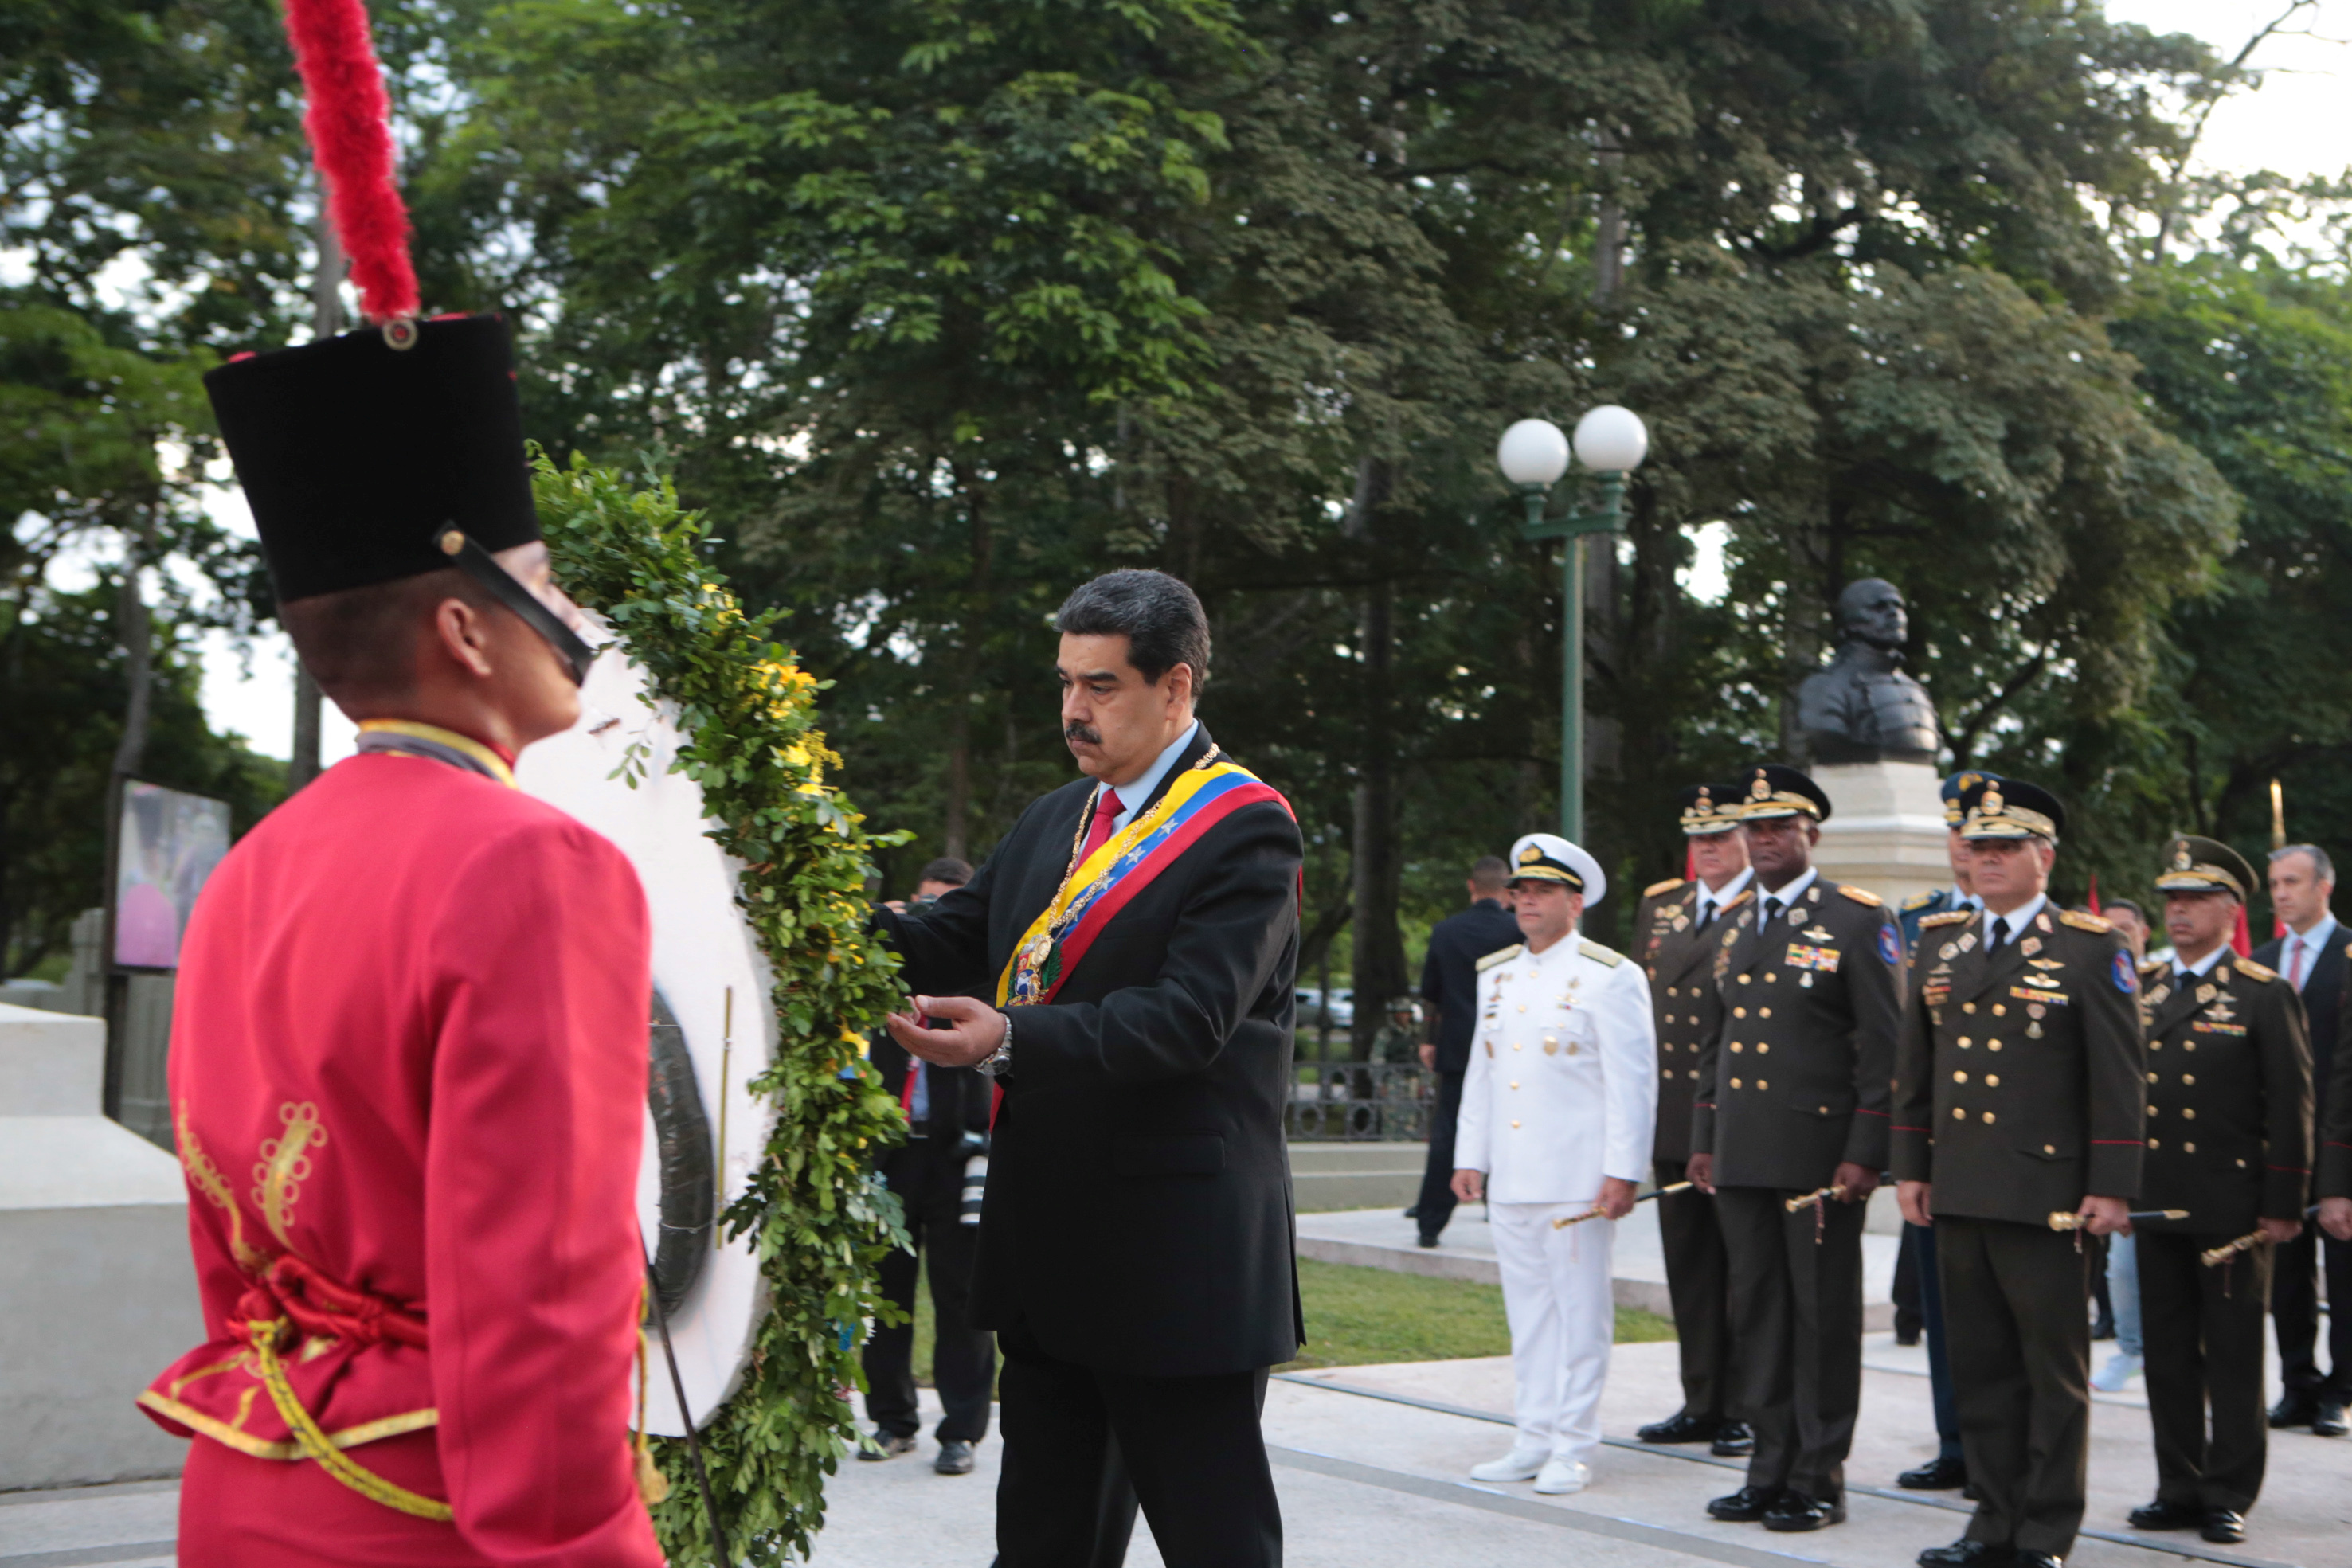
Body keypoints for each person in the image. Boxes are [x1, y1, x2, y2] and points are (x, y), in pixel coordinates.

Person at [137, 315, 663, 1566]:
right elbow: (542, 1285)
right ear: (468, 631)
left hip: (252, 1475)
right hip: (436, 1512)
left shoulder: (249, 869)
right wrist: (585, 1543)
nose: (571, 610)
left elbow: (233, 1253)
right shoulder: (538, 864)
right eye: (541, 582)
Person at [871, 569, 1302, 1568]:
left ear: (1177, 688)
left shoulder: (1245, 827)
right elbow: (953, 934)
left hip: (1176, 1261)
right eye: (1065, 681)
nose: (1073, 709)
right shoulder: (1059, 816)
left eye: (1101, 686)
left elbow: (1185, 1018)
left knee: (1215, 1539)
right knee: (1043, 1543)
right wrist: (802, 915)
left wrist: (1008, 1039)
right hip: (1049, 1250)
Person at [1895, 776, 2143, 1568]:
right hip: (1961, 1185)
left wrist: (2111, 1184)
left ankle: (2042, 1532)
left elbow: (2118, 1077)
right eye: (1980, 846)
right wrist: (1910, 1165)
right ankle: (1989, 1522)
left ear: (2044, 856)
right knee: (1982, 1368)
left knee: (2051, 1373)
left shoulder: (2087, 945)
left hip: (2046, 1195)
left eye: (2007, 847)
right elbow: (1916, 1067)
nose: (1989, 858)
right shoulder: (1941, 941)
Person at [1687, 764, 1901, 1534]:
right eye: (1755, 827)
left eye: (1781, 826)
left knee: (1820, 1319)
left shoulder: (1853, 917)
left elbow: (1883, 1044)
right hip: (1743, 1152)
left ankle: (1818, 1475)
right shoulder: (1737, 920)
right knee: (1760, 1317)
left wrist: (1865, 1151)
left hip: (1818, 1158)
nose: (1766, 838)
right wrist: (1704, 1140)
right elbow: (1717, 1043)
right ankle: (1766, 1466)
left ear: (1811, 834)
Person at [1450, 834, 1657, 1496]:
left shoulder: (1609, 974)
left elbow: (1633, 1082)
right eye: (1519, 891)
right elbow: (1483, 1075)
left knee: (1579, 1314)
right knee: (1529, 1315)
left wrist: (1623, 1170)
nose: (1525, 901)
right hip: (1512, 1174)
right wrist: (1468, 1156)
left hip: (1577, 1177)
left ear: (1576, 901)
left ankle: (1572, 1444)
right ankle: (1532, 1436)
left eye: (1540, 891)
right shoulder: (1497, 971)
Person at [2121, 836, 2313, 1546]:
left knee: (2230, 1354)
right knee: (2167, 1353)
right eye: (2171, 898)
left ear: (2231, 907)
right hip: (2154, 1194)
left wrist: (2283, 1203)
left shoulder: (2261, 992)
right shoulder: (2140, 985)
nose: (2178, 910)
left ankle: (2227, 1488)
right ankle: (2177, 1482)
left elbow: (2291, 1105)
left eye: (2195, 898)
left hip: (2230, 1206)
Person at [861, 857, 997, 1475]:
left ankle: (962, 1428)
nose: (931, 921)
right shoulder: (888, 969)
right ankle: (892, 1420)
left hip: (957, 1153)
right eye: (923, 906)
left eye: (945, 909)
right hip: (892, 1150)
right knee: (884, 1292)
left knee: (962, 1294)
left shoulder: (980, 973)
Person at [1631, 783, 1755, 1459]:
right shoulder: (1661, 906)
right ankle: (1700, 1398)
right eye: (1699, 838)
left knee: (1743, 1273)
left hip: (1735, 1118)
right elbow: (1639, 1014)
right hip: (1673, 1117)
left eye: (1722, 836)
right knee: (1691, 1269)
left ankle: (1743, 1407)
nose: (1709, 849)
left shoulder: (1762, 910)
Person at [1891, 772, 1991, 1494]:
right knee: (1942, 1304)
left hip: (2018, 1158)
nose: (1966, 846)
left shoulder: (2064, 936)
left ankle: (2005, 1452)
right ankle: (1955, 1440)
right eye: (1957, 832)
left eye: (1981, 833)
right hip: (1939, 1150)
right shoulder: (1915, 923)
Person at [2253, 844, 2350, 1437]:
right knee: (2284, 1275)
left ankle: (2340, 1390)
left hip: (2338, 1141)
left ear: (2324, 887)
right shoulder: (2261, 960)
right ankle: (2296, 1381)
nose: (2281, 893)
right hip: (2276, 1148)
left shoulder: (2347, 955)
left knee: (2342, 1273)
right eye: (2273, 883)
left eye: (2292, 881)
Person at [1411, 856, 1523, 1247]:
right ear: (1509, 890)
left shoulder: (1446, 931)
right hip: (1511, 1047)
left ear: (1471, 886)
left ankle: (1430, 1220)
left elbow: (1432, 993)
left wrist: (1429, 1039)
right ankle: (1503, 1204)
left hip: (1458, 1045)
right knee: (1514, 1126)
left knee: (1448, 1132)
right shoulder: (1518, 931)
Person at [2092, 899, 2153, 1398]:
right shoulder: (2101, 980)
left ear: (2144, 933)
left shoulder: (2161, 980)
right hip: (2126, 1150)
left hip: (2176, 1154)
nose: (2118, 937)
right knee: (2121, 1268)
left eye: (2126, 929)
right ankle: (2131, 1348)